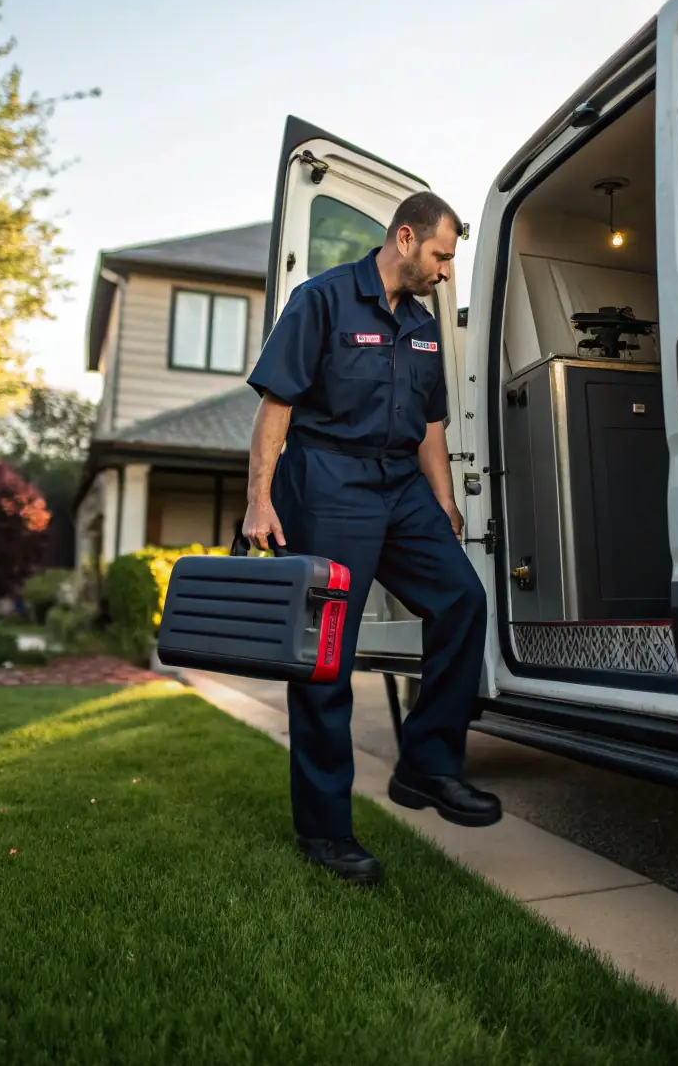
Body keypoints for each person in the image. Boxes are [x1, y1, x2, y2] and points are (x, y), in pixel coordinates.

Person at [242, 191, 501, 887]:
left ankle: (428, 762)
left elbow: (433, 425)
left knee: (461, 599)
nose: (447, 271)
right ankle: (325, 829)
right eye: (443, 255)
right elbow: (277, 402)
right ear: (407, 237)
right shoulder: (322, 299)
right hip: (329, 481)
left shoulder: (422, 327)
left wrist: (443, 501)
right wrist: (259, 499)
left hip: (402, 488)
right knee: (328, 652)